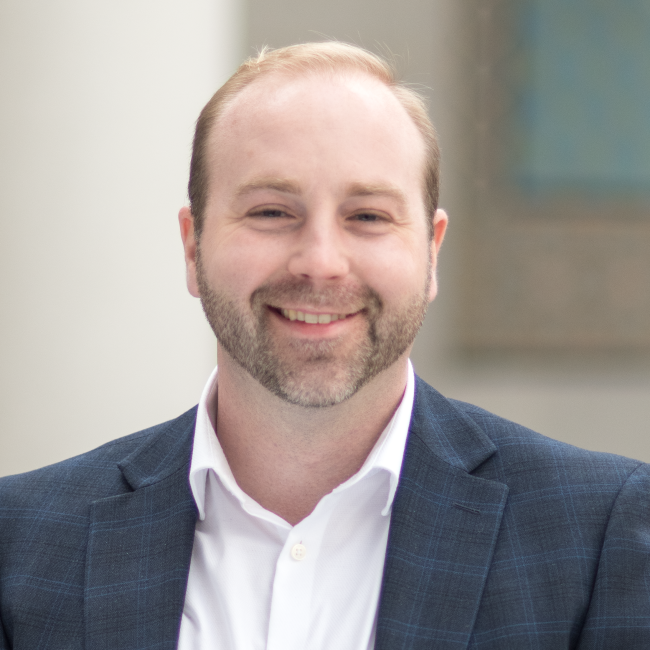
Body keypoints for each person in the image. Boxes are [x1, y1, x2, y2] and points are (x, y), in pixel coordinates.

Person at [1, 41, 649, 650]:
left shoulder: (596, 535)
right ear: (193, 248)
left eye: (368, 216)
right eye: (271, 212)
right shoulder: (19, 541)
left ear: (430, 254)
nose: (320, 262)